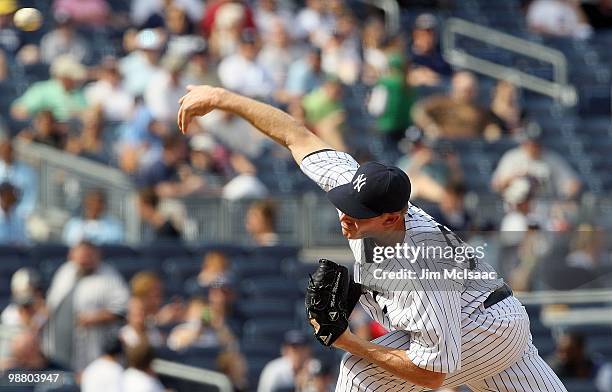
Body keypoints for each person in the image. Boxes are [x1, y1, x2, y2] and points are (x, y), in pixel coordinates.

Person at [177, 85, 568, 391]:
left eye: (359, 214)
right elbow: (297, 137)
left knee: (360, 372)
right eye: (347, 204)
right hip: (505, 327)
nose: (346, 216)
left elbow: (433, 373)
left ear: (392, 217)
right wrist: (224, 98)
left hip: (477, 332)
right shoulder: (363, 194)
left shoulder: (420, 265)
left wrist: (348, 341)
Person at [43, 241, 129, 371]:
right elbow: (51, 303)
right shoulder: (65, 271)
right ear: (72, 255)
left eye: (88, 256)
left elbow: (124, 309)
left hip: (92, 350)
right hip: (57, 346)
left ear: (97, 256)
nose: (84, 260)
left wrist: (97, 317)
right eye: (80, 257)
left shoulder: (109, 277)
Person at [491, 124, 582, 200]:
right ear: (524, 142)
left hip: (545, 210)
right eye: (530, 142)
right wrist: (517, 177)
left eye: (536, 143)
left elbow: (572, 183)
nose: (534, 146)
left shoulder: (551, 158)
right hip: (516, 209)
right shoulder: (512, 158)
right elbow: (496, 185)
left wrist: (565, 199)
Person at [411, 71, 494, 139]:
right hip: (445, 145)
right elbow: (418, 111)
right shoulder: (442, 102)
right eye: (465, 90)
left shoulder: (479, 110)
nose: (468, 93)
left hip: (469, 147)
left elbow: (488, 127)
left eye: (471, 90)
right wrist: (430, 126)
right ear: (456, 87)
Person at [11, 54, 88, 122]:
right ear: (63, 76)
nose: (75, 80)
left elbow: (85, 113)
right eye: (71, 76)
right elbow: (18, 110)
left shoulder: (78, 93)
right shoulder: (42, 90)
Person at [367, 54, 415, 149]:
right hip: (406, 127)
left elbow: (376, 109)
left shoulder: (385, 83)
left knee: (387, 157)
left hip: (387, 126)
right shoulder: (409, 84)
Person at [217, 29, 275, 99]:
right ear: (240, 46)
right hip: (236, 101)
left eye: (251, 46)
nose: (249, 49)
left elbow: (270, 87)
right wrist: (255, 91)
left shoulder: (262, 64)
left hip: (260, 101)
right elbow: (232, 87)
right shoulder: (229, 64)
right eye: (246, 45)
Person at [408, 13, 452, 86]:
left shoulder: (441, 58)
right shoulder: (407, 54)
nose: (427, 38)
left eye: (431, 34)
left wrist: (435, 78)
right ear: (415, 34)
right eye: (423, 34)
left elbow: (449, 79)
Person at [0, 139, 37, 217]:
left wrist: (22, 213)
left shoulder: (26, 172)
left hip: (21, 213)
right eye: (3, 152)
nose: (6, 154)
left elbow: (31, 195)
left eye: (8, 151)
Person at [527, 0, 593, 39]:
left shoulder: (571, 7)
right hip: (548, 44)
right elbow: (534, 29)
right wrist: (556, 34)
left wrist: (576, 7)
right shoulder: (541, 5)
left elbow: (585, 29)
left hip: (568, 44)